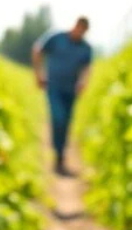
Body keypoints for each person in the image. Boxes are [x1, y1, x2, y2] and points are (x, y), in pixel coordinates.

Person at [33, 17, 92, 176]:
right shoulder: (56, 38)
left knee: (66, 121)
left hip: (70, 91)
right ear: (75, 25)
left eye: (84, 31)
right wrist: (38, 74)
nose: (80, 33)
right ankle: (57, 152)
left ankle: (60, 155)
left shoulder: (85, 48)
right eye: (79, 29)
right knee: (58, 117)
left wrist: (83, 82)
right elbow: (38, 50)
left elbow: (87, 67)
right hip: (54, 87)